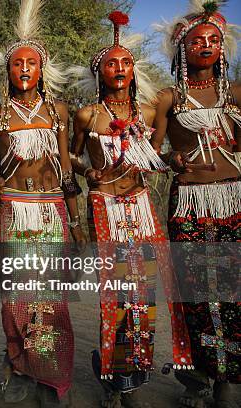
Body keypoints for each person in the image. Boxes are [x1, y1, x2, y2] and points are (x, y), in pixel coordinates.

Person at [69, 11, 193, 408]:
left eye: (125, 63)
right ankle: (119, 379)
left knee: (143, 294)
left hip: (141, 208)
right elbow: (68, 157)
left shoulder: (149, 112)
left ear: (132, 69)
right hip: (105, 207)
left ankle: (128, 374)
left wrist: (174, 161)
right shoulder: (87, 116)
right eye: (111, 63)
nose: (119, 69)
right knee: (117, 296)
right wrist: (87, 169)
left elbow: (156, 155)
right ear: (99, 72)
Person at [0, 0, 85, 404]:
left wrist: (76, 223)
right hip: (13, 210)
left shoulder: (58, 110)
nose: (24, 69)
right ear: (7, 71)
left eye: (31, 63)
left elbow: (65, 168)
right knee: (16, 297)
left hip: (52, 210)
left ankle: (52, 375)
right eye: (16, 63)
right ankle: (20, 364)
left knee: (52, 294)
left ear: (41, 69)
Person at [152, 1, 240, 406]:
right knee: (197, 292)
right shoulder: (168, 99)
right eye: (196, 41)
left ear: (223, 48)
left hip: (233, 199)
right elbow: (154, 155)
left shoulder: (237, 93)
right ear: (180, 49)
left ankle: (228, 378)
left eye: (213, 40)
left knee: (233, 290)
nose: (205, 45)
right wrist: (173, 159)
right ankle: (205, 372)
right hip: (189, 202)